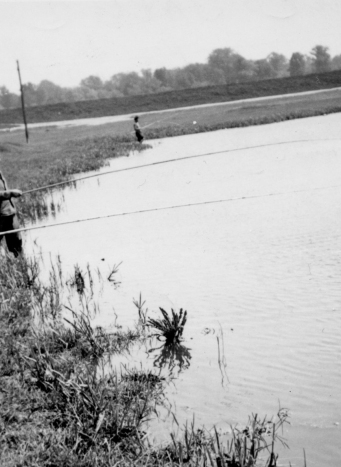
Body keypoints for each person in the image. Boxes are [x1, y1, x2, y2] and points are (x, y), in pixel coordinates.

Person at [0, 171, 23, 257]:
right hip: (1, 217)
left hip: (10, 213)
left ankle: (20, 266)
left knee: (17, 246)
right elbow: (5, 193)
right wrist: (10, 193)